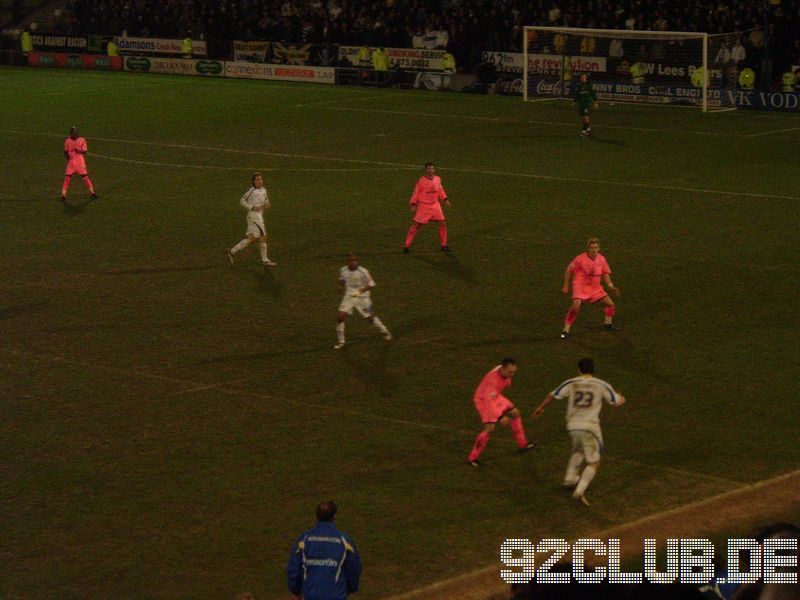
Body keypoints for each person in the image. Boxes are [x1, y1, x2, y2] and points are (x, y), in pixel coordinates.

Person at [532, 357, 626, 505]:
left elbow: (553, 395)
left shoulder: (571, 382)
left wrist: (541, 407)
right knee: (594, 462)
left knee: (578, 450)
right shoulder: (601, 384)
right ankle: (580, 490)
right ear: (593, 370)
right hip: (590, 427)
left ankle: (570, 478)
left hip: (573, 426)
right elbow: (615, 402)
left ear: (579, 370)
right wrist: (622, 399)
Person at [467, 357, 536, 467]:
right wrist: (500, 417)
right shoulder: (492, 381)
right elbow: (489, 403)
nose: (512, 374)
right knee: (489, 429)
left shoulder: (502, 371)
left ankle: (523, 444)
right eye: (510, 372)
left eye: (513, 372)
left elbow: (498, 390)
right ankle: (472, 458)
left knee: (515, 413)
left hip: (495, 396)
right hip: (483, 400)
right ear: (503, 369)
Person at [287, 500, 362, 600]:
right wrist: (348, 589)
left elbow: (293, 569)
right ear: (334, 516)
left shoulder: (303, 540)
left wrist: (295, 591)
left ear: (317, 515)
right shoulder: (345, 541)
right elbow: (354, 569)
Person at [560, 237, 619, 339]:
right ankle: (566, 330)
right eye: (591, 248)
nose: (594, 250)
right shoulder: (580, 259)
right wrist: (566, 285)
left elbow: (605, 274)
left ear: (599, 248)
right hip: (580, 286)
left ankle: (608, 324)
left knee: (610, 304)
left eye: (596, 247)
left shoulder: (601, 259)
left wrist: (610, 286)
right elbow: (569, 270)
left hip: (595, 287)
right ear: (588, 248)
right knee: (576, 306)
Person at [335, 254, 391, 350]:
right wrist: (340, 286)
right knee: (340, 317)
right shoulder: (343, 270)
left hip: (363, 298)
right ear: (347, 262)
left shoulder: (363, 271)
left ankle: (384, 331)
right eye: (351, 261)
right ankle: (341, 341)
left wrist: (360, 291)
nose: (353, 262)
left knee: (370, 318)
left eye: (354, 260)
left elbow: (372, 284)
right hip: (349, 296)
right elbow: (342, 279)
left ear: (357, 261)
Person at [227, 172, 276, 267]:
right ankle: (265, 260)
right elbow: (242, 201)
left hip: (259, 215)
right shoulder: (251, 191)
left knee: (251, 239)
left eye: (260, 179)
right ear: (253, 182)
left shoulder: (264, 190)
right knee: (263, 237)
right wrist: (252, 207)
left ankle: (232, 251)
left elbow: (266, 201)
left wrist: (267, 204)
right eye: (257, 180)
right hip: (254, 216)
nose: (259, 181)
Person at [403, 162, 450, 253]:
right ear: (425, 170)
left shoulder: (437, 179)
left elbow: (440, 189)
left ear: (434, 169)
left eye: (432, 168)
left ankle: (444, 245)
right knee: (416, 225)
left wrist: (445, 199)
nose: (430, 170)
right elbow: (415, 193)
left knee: (442, 223)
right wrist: (413, 204)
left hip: (435, 205)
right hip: (424, 206)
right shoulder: (421, 181)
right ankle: (406, 245)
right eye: (428, 168)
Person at [61, 127, 97, 202]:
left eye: (74, 132)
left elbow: (84, 151)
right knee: (67, 178)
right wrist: (67, 156)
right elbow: (65, 151)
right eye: (72, 133)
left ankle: (92, 193)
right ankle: (63, 195)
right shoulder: (67, 141)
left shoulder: (82, 140)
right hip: (71, 163)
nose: (73, 134)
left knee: (85, 178)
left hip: (80, 163)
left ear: (77, 132)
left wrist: (78, 150)